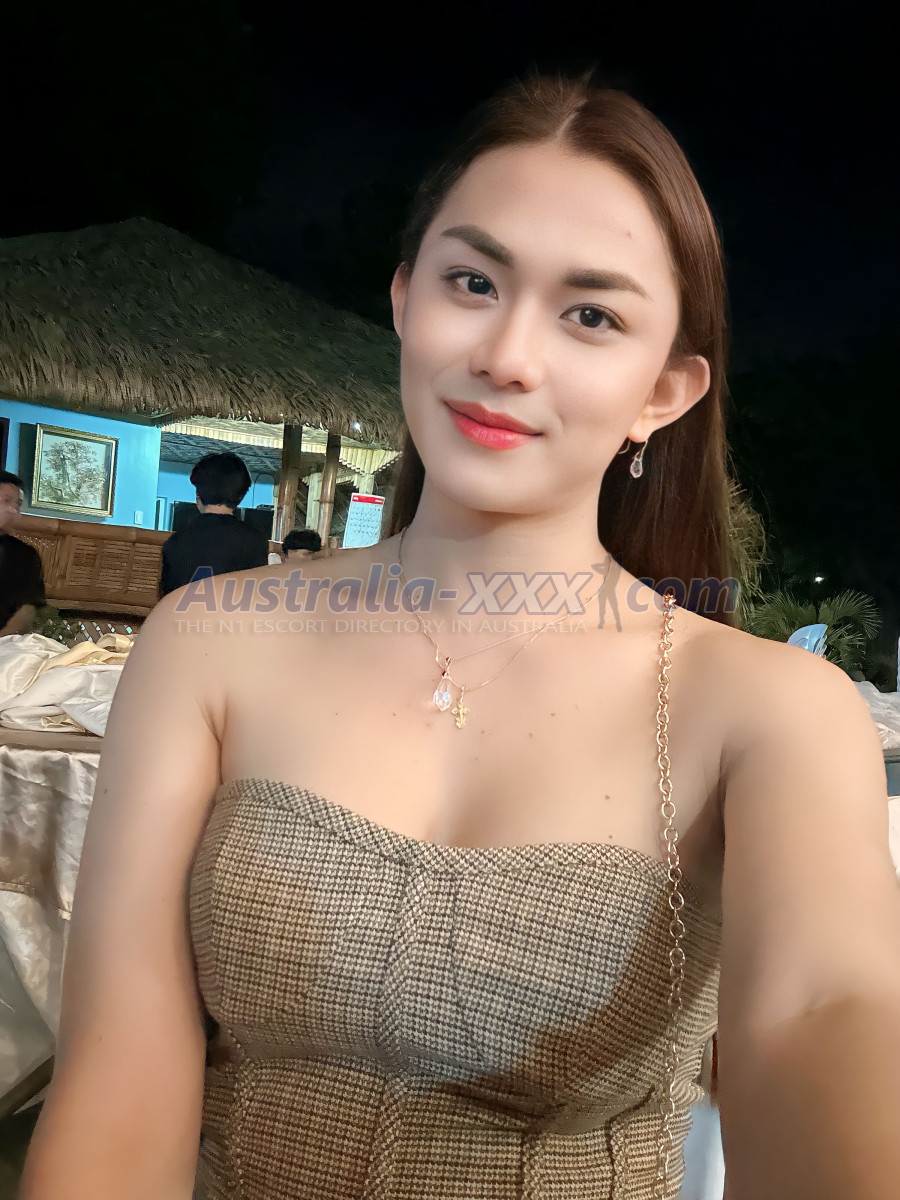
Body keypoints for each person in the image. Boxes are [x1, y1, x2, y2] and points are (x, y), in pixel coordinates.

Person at [21, 76, 900, 1200]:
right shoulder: (208, 643)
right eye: (474, 282)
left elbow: (825, 1012)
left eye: (592, 315)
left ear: (665, 392)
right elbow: (121, 1079)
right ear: (404, 299)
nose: (508, 355)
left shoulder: (770, 713)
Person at [158, 452, 269, 597]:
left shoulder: (175, 542)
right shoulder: (256, 541)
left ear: (198, 493)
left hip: (182, 611)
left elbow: (165, 598)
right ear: (240, 496)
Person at [0, 470, 46, 637]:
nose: (14, 511)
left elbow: (26, 612)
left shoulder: (25, 555)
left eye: (17, 504)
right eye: (6, 501)